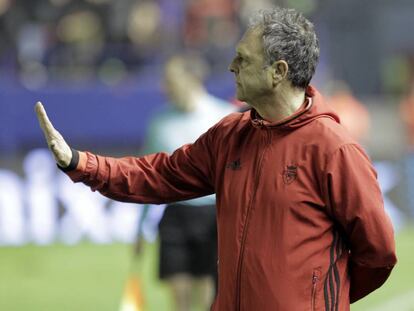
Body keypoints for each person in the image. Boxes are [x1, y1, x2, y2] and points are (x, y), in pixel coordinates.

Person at [35, 7, 396, 311]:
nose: (231, 66)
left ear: (279, 72)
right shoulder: (229, 135)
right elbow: (158, 175)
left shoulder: (334, 149)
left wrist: (317, 301)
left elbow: (377, 253)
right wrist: (80, 162)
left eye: (244, 59)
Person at [138, 55, 234, 311]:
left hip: (213, 216)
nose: (164, 87)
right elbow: (150, 175)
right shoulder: (159, 121)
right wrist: (140, 228)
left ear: (192, 79)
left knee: (208, 297)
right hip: (175, 214)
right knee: (179, 301)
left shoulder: (224, 116)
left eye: (170, 80)